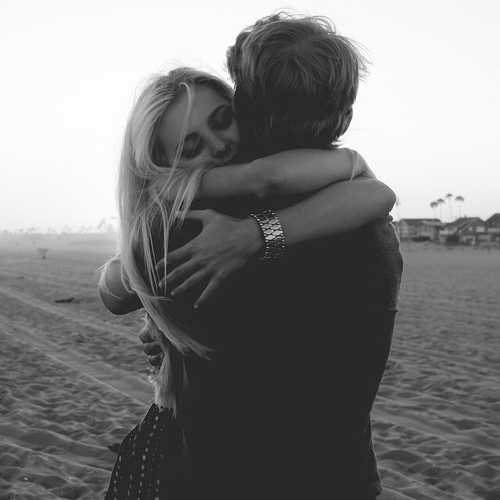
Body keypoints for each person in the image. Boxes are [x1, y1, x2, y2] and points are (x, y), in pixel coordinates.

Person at [100, 13, 401, 500]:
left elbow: (114, 290)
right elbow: (379, 193)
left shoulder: (190, 229)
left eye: (223, 118)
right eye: (192, 147)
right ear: (344, 115)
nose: (220, 146)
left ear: (246, 106)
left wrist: (175, 203)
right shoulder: (371, 224)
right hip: (347, 480)